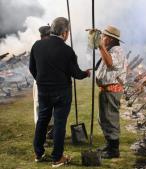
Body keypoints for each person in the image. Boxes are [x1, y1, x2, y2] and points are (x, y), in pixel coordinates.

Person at [29, 17, 91, 167]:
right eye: (68, 32)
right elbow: (75, 73)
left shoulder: (37, 45)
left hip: (43, 91)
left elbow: (32, 68)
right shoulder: (67, 50)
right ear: (64, 33)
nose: (68, 34)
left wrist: (41, 80)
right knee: (59, 124)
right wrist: (86, 73)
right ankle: (57, 158)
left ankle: (39, 153)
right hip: (61, 93)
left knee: (42, 121)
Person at [96, 25, 127, 159]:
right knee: (104, 119)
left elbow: (109, 63)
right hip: (107, 90)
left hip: (111, 91)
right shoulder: (111, 50)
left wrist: (100, 46)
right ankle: (109, 144)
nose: (102, 38)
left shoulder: (117, 51)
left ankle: (114, 150)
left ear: (110, 39)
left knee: (110, 119)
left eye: (103, 36)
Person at [33, 25, 54, 140]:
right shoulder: (37, 46)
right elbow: (33, 67)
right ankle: (42, 137)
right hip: (40, 82)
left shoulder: (53, 45)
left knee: (52, 108)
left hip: (50, 82)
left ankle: (51, 132)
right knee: (40, 108)